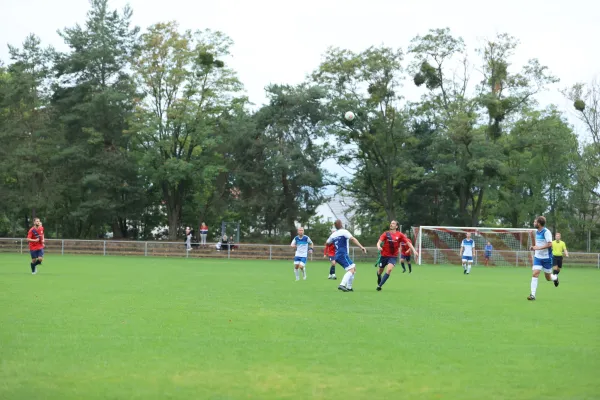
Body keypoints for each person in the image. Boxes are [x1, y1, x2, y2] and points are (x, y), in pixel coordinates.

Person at [325, 219, 367, 292]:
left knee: (353, 268)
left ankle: (349, 287)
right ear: (341, 224)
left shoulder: (333, 234)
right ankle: (342, 285)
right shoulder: (344, 231)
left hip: (337, 254)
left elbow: (327, 242)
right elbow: (352, 239)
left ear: (335, 226)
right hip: (343, 254)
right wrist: (361, 247)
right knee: (351, 269)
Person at [376, 221, 418, 291]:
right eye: (391, 223)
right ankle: (379, 276)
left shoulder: (400, 235)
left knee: (389, 270)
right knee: (380, 271)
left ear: (396, 226)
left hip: (393, 256)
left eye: (393, 223)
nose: (391, 224)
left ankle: (379, 285)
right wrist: (378, 246)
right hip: (384, 256)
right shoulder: (386, 234)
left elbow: (408, 243)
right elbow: (379, 242)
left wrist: (414, 250)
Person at [527, 216, 558, 300]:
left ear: (539, 224)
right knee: (535, 273)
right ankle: (532, 295)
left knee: (548, 278)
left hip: (547, 258)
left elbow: (549, 244)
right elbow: (536, 245)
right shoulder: (537, 231)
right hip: (538, 257)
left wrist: (538, 248)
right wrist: (533, 246)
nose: (533, 223)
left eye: (535, 222)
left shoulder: (546, 232)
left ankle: (555, 278)